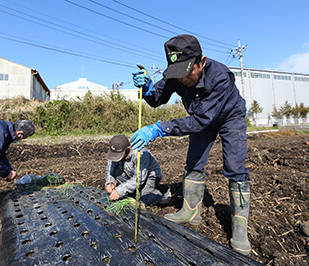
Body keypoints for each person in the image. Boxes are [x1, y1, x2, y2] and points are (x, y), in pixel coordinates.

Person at [130, 34, 251, 255]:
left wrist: (159, 129)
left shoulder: (220, 77)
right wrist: (147, 89)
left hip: (229, 117)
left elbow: (200, 121)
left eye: (188, 72)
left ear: (201, 61)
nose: (183, 79)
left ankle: (240, 225)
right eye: (178, 73)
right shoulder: (176, 73)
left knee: (234, 167)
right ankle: (191, 211)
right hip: (202, 118)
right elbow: (158, 97)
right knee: (193, 162)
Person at [105, 134, 172, 207]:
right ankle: (134, 191)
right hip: (130, 173)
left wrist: (119, 191)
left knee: (143, 199)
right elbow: (110, 169)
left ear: (127, 149)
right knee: (129, 194)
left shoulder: (140, 153)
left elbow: (139, 178)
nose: (115, 157)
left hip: (148, 176)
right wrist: (109, 182)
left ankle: (163, 191)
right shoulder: (114, 153)